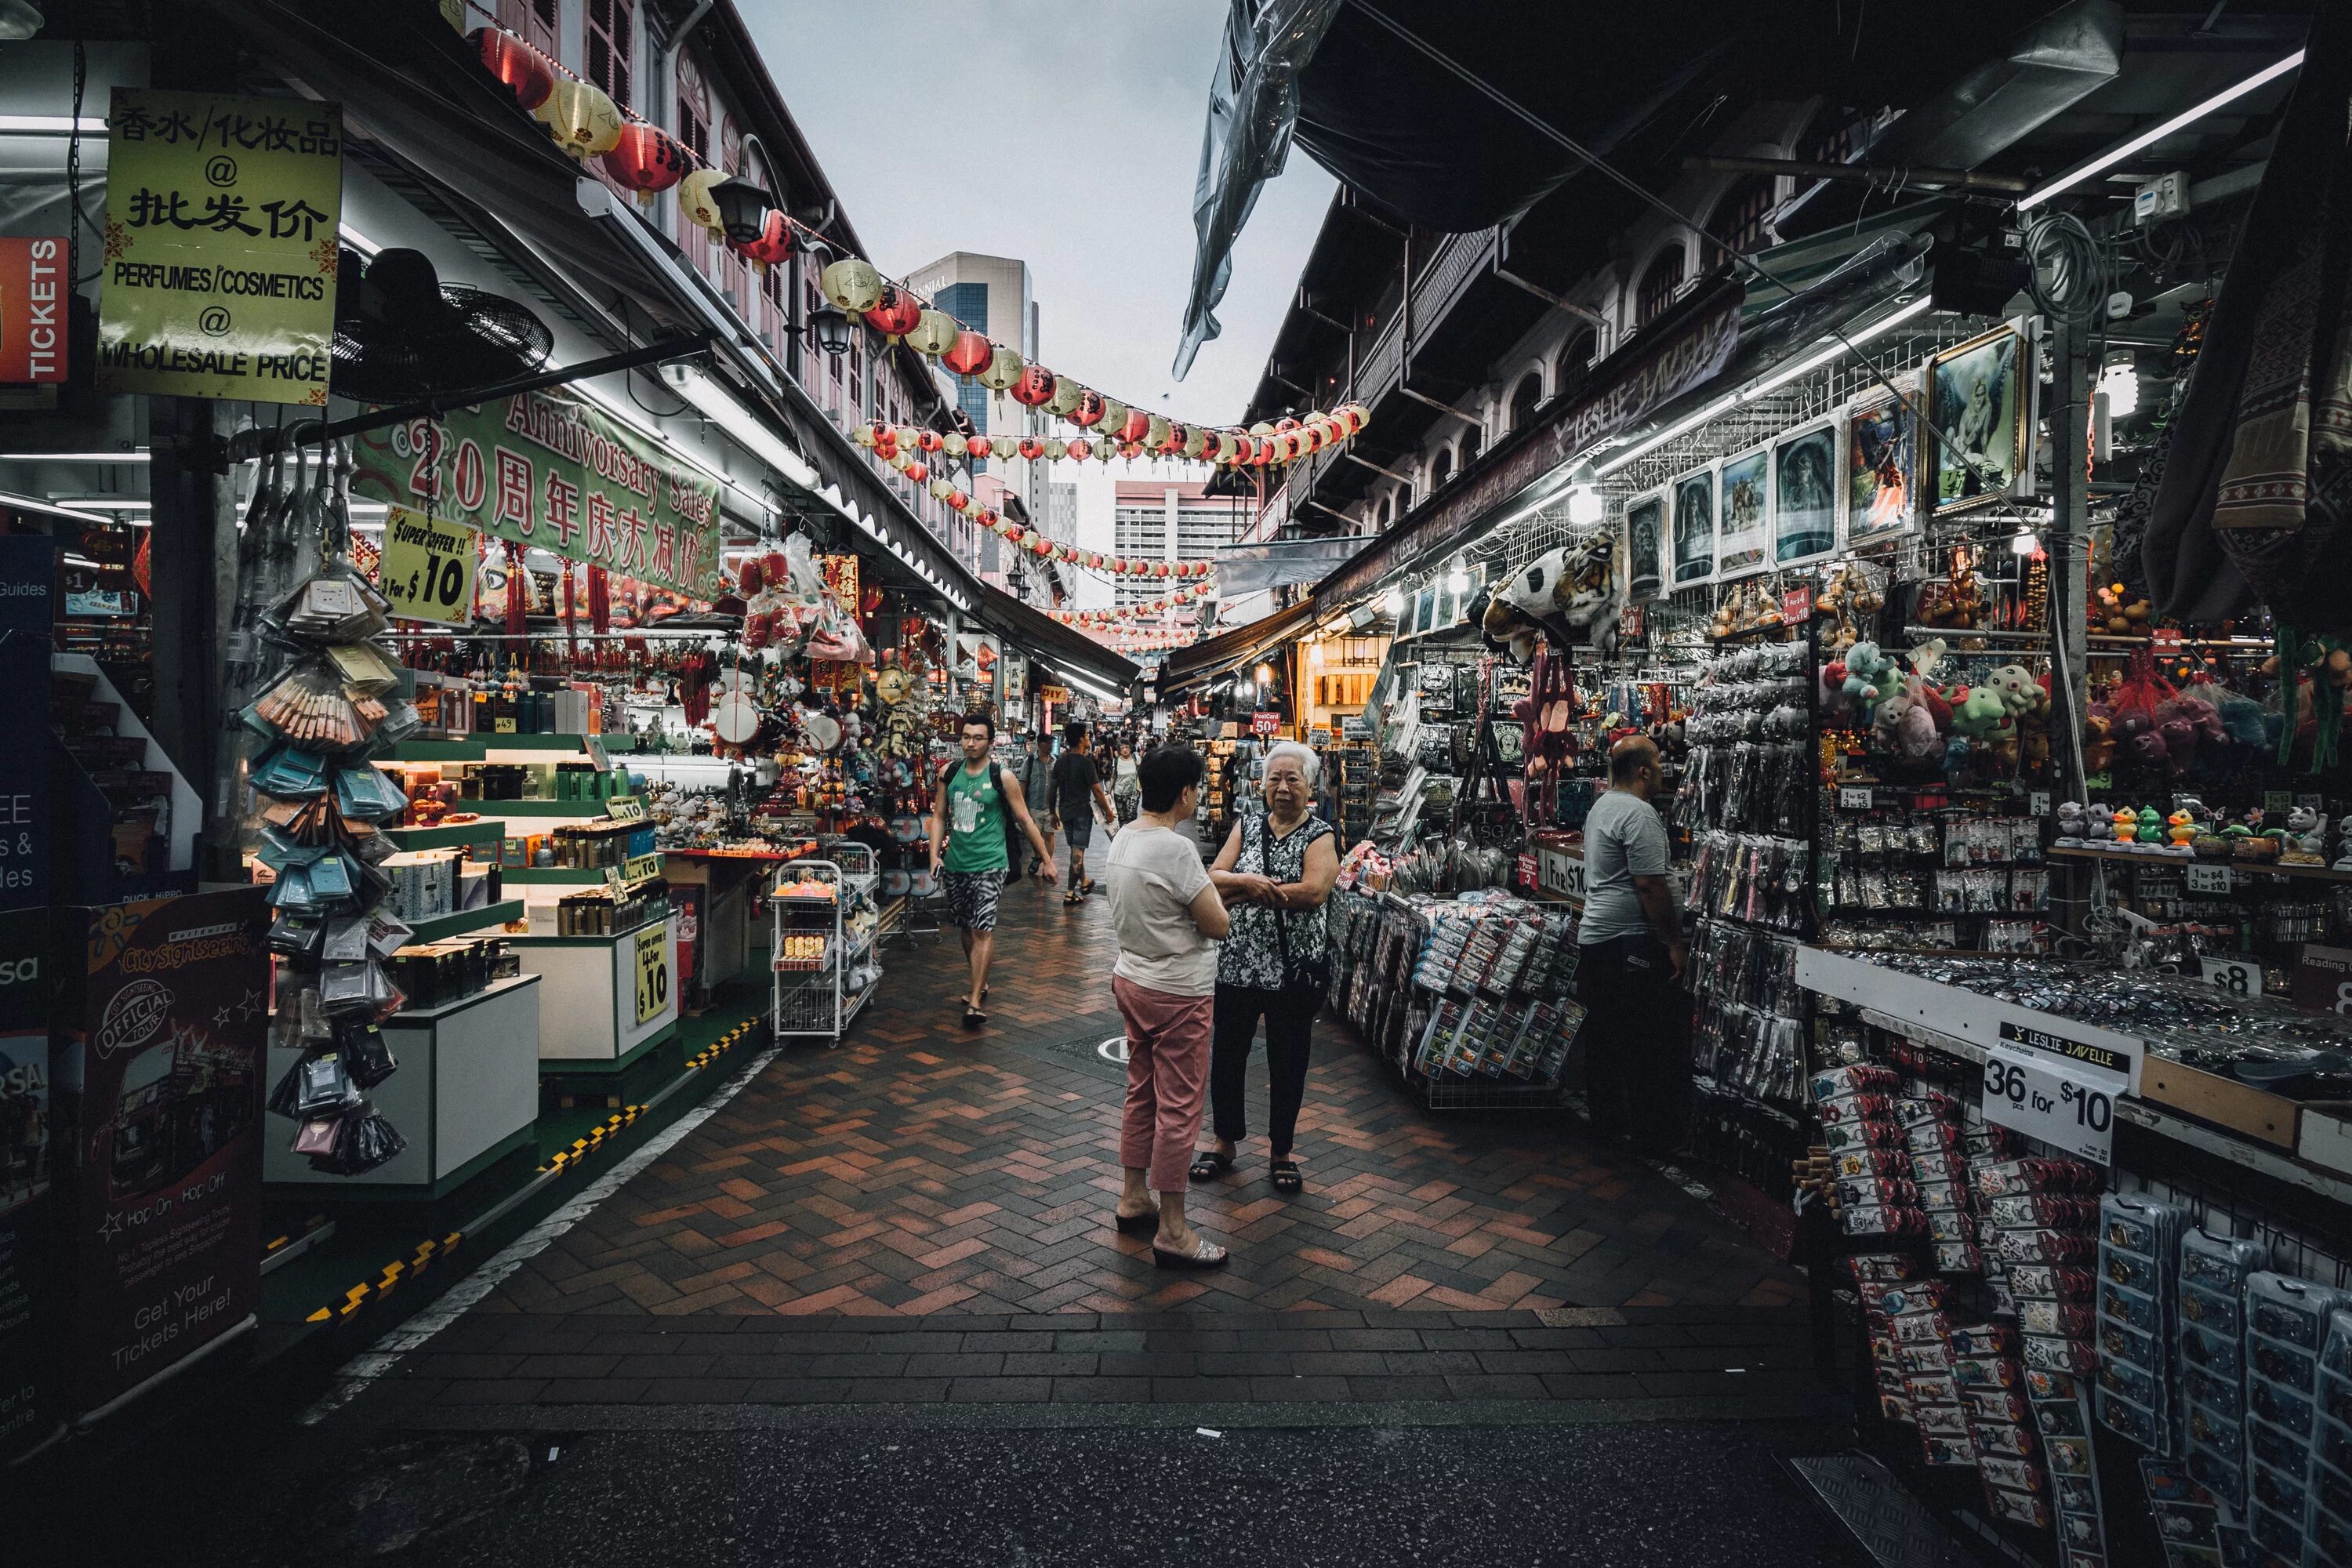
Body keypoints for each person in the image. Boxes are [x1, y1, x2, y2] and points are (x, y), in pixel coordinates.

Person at [1105, 745, 1232, 1269]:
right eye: (1197, 787)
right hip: (1178, 991)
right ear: (1184, 793)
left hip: (1133, 979)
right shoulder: (1176, 849)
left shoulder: (1123, 837)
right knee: (1179, 1107)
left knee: (1142, 1092)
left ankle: (1135, 1196)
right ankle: (1174, 1231)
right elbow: (1216, 923)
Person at [1192, 740, 1338, 1196]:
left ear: (1309, 786)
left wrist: (1248, 890)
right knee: (1228, 1055)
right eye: (1275, 778)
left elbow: (1314, 891)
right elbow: (1213, 878)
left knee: (1287, 1060)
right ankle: (1224, 1141)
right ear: (1262, 784)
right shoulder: (1247, 824)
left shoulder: (1321, 835)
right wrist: (1248, 883)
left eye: (1293, 779)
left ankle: (1281, 1151)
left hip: (1293, 970)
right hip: (1237, 965)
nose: (1283, 787)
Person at [1573, 735, 1690, 1156]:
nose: (1663, 772)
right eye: (1658, 764)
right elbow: (1649, 885)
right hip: (1628, 942)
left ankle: (1608, 1125)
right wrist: (1673, 941)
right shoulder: (1638, 814)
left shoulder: (1603, 806)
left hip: (1601, 940)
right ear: (1643, 771)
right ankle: (1650, 1135)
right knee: (1645, 1039)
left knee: (1607, 1037)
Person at [929, 712, 1057, 1028]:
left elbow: (1025, 819)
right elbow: (940, 816)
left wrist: (1046, 859)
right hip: (957, 862)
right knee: (965, 926)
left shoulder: (1003, 776)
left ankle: (974, 1001)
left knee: (982, 928)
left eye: (978, 738)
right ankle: (980, 979)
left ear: (990, 742)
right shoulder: (949, 772)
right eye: (966, 737)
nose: (970, 744)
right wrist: (934, 856)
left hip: (991, 862)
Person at [1049, 720, 1117, 907]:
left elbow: (1052, 789)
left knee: (1075, 849)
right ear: (1080, 739)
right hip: (1081, 813)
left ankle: (1085, 882)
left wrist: (1052, 812)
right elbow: (1097, 791)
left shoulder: (1061, 762)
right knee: (1077, 853)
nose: (1089, 738)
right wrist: (1108, 811)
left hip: (1065, 811)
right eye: (1087, 735)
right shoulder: (1086, 763)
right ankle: (1070, 893)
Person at [1010, 732, 1051, 880]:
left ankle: (1047, 865)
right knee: (1035, 837)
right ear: (1040, 745)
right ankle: (1038, 856)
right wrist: (1020, 805)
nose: (1050, 746)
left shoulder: (1055, 761)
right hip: (1034, 804)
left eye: (1051, 743)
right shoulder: (1031, 761)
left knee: (1049, 835)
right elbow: (1023, 782)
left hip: (1051, 806)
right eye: (1047, 743)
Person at [1110, 739, 1142, 826]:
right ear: (1119, 750)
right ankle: (1123, 833)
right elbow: (1113, 776)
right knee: (1122, 818)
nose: (1125, 750)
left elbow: (1143, 773)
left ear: (1130, 748)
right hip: (1119, 793)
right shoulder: (1117, 761)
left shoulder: (1136, 759)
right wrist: (1109, 792)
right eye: (1122, 748)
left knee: (1131, 816)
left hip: (1133, 792)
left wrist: (1140, 765)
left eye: (1127, 747)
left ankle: (1131, 833)